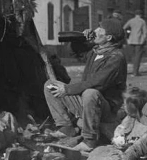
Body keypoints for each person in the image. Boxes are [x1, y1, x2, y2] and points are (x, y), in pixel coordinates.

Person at [44, 18, 127, 152]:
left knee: (90, 92)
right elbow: (78, 52)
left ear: (108, 37)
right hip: (88, 101)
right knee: (50, 85)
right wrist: (82, 39)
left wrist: (67, 89)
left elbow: (97, 83)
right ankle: (66, 127)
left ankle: (89, 140)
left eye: (100, 29)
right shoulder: (97, 51)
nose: (95, 31)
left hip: (106, 109)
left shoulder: (116, 57)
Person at [123, 10, 147, 76]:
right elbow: (145, 32)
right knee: (138, 56)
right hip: (139, 41)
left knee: (133, 56)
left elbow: (124, 28)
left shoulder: (131, 20)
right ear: (140, 15)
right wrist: (143, 39)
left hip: (131, 41)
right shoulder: (142, 21)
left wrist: (127, 36)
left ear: (135, 14)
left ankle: (134, 71)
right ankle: (135, 72)